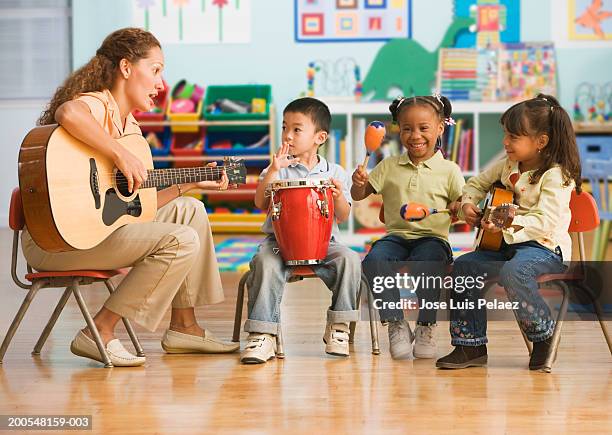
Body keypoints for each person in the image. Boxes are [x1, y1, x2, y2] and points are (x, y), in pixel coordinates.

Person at [26, 27, 238, 367]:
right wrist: (119, 155)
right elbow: (68, 113)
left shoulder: (131, 129)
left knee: (190, 212)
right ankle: (100, 331)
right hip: (57, 242)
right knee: (177, 239)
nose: (161, 83)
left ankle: (185, 327)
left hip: (95, 233)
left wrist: (190, 183)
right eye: (155, 70)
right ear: (126, 68)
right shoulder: (96, 104)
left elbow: (136, 208)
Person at [436, 94, 582, 371]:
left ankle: (543, 337)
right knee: (464, 267)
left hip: (545, 248)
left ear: (541, 141)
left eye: (513, 137)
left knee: (514, 272)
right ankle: (471, 346)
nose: (505, 142)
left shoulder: (557, 175)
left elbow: (546, 221)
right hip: (505, 247)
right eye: (506, 135)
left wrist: (508, 223)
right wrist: (468, 204)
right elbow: (476, 184)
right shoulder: (508, 165)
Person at [240, 97, 361, 364]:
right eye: (285, 128)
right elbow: (260, 202)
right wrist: (273, 171)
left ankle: (339, 328)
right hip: (279, 243)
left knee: (350, 260)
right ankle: (263, 334)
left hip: (323, 243)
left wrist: (339, 196)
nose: (287, 136)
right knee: (264, 261)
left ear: (320, 137)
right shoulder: (278, 170)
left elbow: (342, 215)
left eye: (296, 129)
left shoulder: (335, 172)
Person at [352, 95, 464, 360]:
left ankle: (426, 325)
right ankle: (396, 323)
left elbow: (461, 205)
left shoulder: (449, 170)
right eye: (407, 128)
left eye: (423, 128)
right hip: (396, 237)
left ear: (440, 128)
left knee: (429, 261)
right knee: (374, 260)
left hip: (432, 239)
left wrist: (459, 208)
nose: (415, 135)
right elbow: (359, 195)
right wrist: (358, 182)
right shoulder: (389, 165)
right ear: (398, 130)